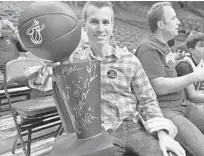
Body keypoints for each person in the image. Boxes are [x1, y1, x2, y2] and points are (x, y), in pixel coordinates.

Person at [24, 2, 185, 156]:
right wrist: (44, 72)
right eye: (94, 21)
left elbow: (148, 101)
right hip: (100, 134)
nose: (100, 28)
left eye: (105, 22)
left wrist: (163, 135)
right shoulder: (73, 60)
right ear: (84, 24)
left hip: (135, 128)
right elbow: (39, 79)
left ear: (112, 26)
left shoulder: (129, 60)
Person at [135, 2, 204, 156]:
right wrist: (195, 76)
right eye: (174, 18)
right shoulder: (148, 47)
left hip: (182, 104)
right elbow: (158, 86)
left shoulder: (164, 46)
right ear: (161, 24)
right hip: (166, 109)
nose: (179, 22)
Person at [0, 19, 27, 89]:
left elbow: (25, 48)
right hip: (2, 73)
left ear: (1, 24)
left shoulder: (9, 36)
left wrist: (14, 30)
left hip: (16, 70)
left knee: (37, 81)